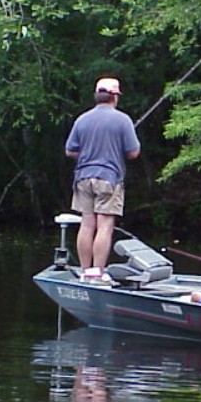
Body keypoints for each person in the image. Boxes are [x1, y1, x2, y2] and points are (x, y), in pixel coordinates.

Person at [65, 77, 141, 283]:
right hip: (109, 178)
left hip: (82, 178)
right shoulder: (123, 120)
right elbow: (133, 152)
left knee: (87, 224)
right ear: (114, 96)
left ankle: (84, 271)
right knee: (105, 225)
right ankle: (98, 271)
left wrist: (87, 153)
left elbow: (70, 150)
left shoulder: (82, 119)